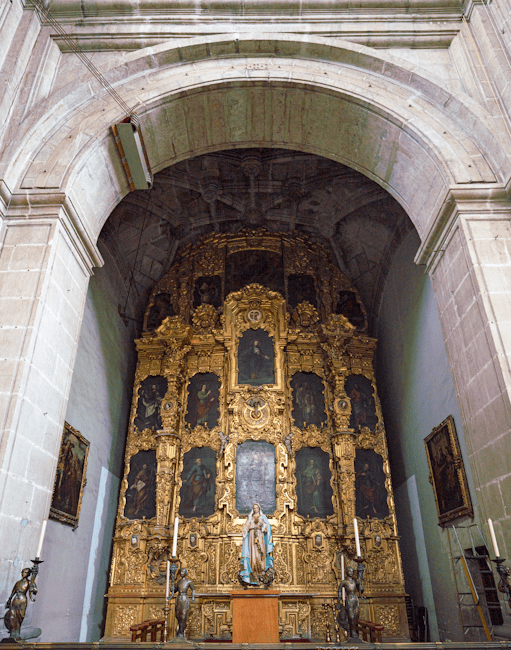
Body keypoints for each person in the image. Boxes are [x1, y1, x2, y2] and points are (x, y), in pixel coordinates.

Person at [239, 504, 273, 585]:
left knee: (260, 551)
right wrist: (244, 531)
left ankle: (261, 569)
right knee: (252, 553)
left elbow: (267, 527)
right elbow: (246, 526)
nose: (255, 509)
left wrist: (264, 526)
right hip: (251, 536)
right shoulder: (250, 517)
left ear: (259, 508)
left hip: (259, 535)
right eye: (254, 508)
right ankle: (253, 570)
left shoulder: (262, 517)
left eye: (256, 508)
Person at [4, 567, 37, 640]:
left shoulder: (29, 582)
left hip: (22, 601)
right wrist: (9, 599)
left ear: (28, 574)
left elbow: (33, 590)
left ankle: (17, 634)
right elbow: (13, 592)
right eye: (22, 572)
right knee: (12, 616)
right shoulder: (18, 583)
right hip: (15, 600)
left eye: (25, 572)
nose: (23, 574)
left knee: (20, 617)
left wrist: (32, 592)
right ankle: (12, 634)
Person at [337, 566, 363, 638]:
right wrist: (338, 602)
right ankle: (352, 632)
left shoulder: (355, 581)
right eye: (349, 571)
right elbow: (339, 591)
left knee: (356, 616)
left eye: (352, 571)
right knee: (351, 616)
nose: (351, 572)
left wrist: (360, 584)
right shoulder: (344, 582)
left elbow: (360, 590)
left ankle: (354, 631)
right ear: (346, 572)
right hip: (349, 598)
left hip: (355, 599)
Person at [171, 568, 195, 638]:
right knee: (178, 615)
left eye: (183, 572)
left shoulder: (188, 581)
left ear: (186, 573)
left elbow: (193, 589)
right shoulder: (178, 582)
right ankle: (179, 631)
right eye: (181, 572)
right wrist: (172, 586)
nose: (182, 573)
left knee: (183, 616)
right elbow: (174, 591)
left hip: (185, 598)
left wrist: (193, 597)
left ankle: (181, 631)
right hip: (179, 599)